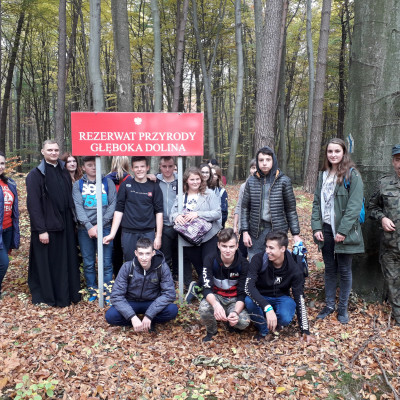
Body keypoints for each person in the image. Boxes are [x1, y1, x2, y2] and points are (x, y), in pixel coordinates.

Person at [311, 138, 364, 324]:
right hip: (325, 230)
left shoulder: (352, 175)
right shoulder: (323, 175)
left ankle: (342, 308)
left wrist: (342, 231)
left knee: (344, 269)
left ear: (343, 153)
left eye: (337, 151)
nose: (333, 154)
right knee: (330, 269)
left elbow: (354, 206)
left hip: (344, 232)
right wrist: (316, 227)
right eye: (330, 151)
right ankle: (329, 305)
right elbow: (317, 203)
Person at [26, 140, 81, 307]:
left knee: (68, 261)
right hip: (47, 227)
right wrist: (41, 230)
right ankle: (51, 297)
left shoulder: (64, 171)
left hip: (66, 225)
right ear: (43, 151)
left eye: (56, 150)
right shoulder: (35, 175)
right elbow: (33, 205)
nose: (53, 153)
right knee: (51, 263)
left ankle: (69, 295)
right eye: (49, 150)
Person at [245, 231, 312, 342]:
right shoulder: (258, 259)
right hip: (261, 296)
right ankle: (263, 330)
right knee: (249, 301)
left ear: (282, 249)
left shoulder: (294, 268)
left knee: (286, 316)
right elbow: (248, 287)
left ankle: (276, 323)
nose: (267, 251)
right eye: (266, 247)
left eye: (271, 248)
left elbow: (299, 297)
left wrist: (305, 331)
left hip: (281, 297)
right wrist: (267, 307)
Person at [240, 146, 301, 260]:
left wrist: (295, 234)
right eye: (261, 160)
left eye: (268, 160)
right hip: (256, 231)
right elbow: (244, 209)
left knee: (277, 263)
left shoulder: (284, 181)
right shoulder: (251, 181)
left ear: (273, 161)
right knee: (255, 262)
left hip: (277, 230)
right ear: (257, 162)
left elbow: (291, 209)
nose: (264, 163)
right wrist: (245, 232)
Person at [170, 166, 222, 301]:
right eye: (192, 179)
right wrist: (176, 217)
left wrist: (197, 214)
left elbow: (217, 213)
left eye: (197, 179)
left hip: (208, 236)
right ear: (186, 180)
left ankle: (199, 289)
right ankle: (204, 293)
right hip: (189, 238)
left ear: (201, 179)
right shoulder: (181, 197)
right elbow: (171, 214)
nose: (195, 182)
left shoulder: (209, 194)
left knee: (208, 265)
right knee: (199, 267)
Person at [105, 237, 178, 331]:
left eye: (147, 253)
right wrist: (132, 317)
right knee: (111, 316)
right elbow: (116, 296)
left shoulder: (162, 267)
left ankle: (149, 322)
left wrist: (149, 315)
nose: (144, 258)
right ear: (136, 253)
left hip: (152, 301)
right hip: (131, 302)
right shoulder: (127, 267)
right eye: (141, 254)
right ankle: (136, 323)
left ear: (153, 253)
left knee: (172, 310)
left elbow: (169, 294)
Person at [72, 156, 117, 302]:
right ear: (83, 168)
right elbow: (78, 207)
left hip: (105, 228)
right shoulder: (78, 185)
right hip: (85, 230)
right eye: (89, 165)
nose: (93, 167)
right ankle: (93, 291)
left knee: (106, 262)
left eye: (95, 165)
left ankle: (107, 291)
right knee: (89, 262)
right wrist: (89, 226)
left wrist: (100, 224)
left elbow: (112, 205)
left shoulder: (107, 182)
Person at [103, 156, 163, 262]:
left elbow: (159, 212)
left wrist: (158, 236)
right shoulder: (125, 185)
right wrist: (112, 234)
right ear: (132, 168)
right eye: (136, 167)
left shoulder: (154, 187)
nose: (139, 169)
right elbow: (119, 210)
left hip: (148, 232)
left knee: (148, 263)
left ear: (147, 167)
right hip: (128, 232)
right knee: (130, 264)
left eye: (142, 166)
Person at [199, 228, 250, 342]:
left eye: (231, 247)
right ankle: (212, 331)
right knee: (204, 308)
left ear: (237, 246)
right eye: (224, 246)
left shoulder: (244, 264)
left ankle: (230, 322)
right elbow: (206, 288)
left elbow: (243, 293)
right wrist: (216, 305)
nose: (228, 250)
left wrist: (236, 312)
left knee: (243, 322)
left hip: (234, 299)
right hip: (217, 296)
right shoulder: (210, 259)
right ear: (218, 245)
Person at [368, 144, 400, 326]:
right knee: (394, 286)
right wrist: (382, 218)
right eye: (397, 160)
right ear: (393, 162)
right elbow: (372, 208)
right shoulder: (384, 183)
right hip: (391, 248)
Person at [105, 156, 131, 277]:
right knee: (127, 247)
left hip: (111, 219)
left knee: (115, 249)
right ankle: (128, 274)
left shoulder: (106, 179)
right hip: (127, 218)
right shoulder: (130, 179)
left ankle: (117, 274)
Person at [0, 152, 20, 297]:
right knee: (4, 262)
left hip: (8, 228)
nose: (0, 166)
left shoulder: (9, 183)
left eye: (2, 163)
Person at [156, 156, 178, 280]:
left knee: (179, 254)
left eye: (170, 166)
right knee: (165, 254)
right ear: (160, 167)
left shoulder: (180, 181)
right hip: (162, 224)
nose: (167, 169)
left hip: (179, 224)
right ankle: (166, 278)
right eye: (164, 166)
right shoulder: (156, 181)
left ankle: (178, 277)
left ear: (174, 166)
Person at [234, 159, 257, 258]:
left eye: (257, 168)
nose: (255, 170)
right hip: (245, 226)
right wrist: (235, 225)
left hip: (259, 227)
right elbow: (239, 206)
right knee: (241, 255)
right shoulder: (244, 186)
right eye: (253, 168)